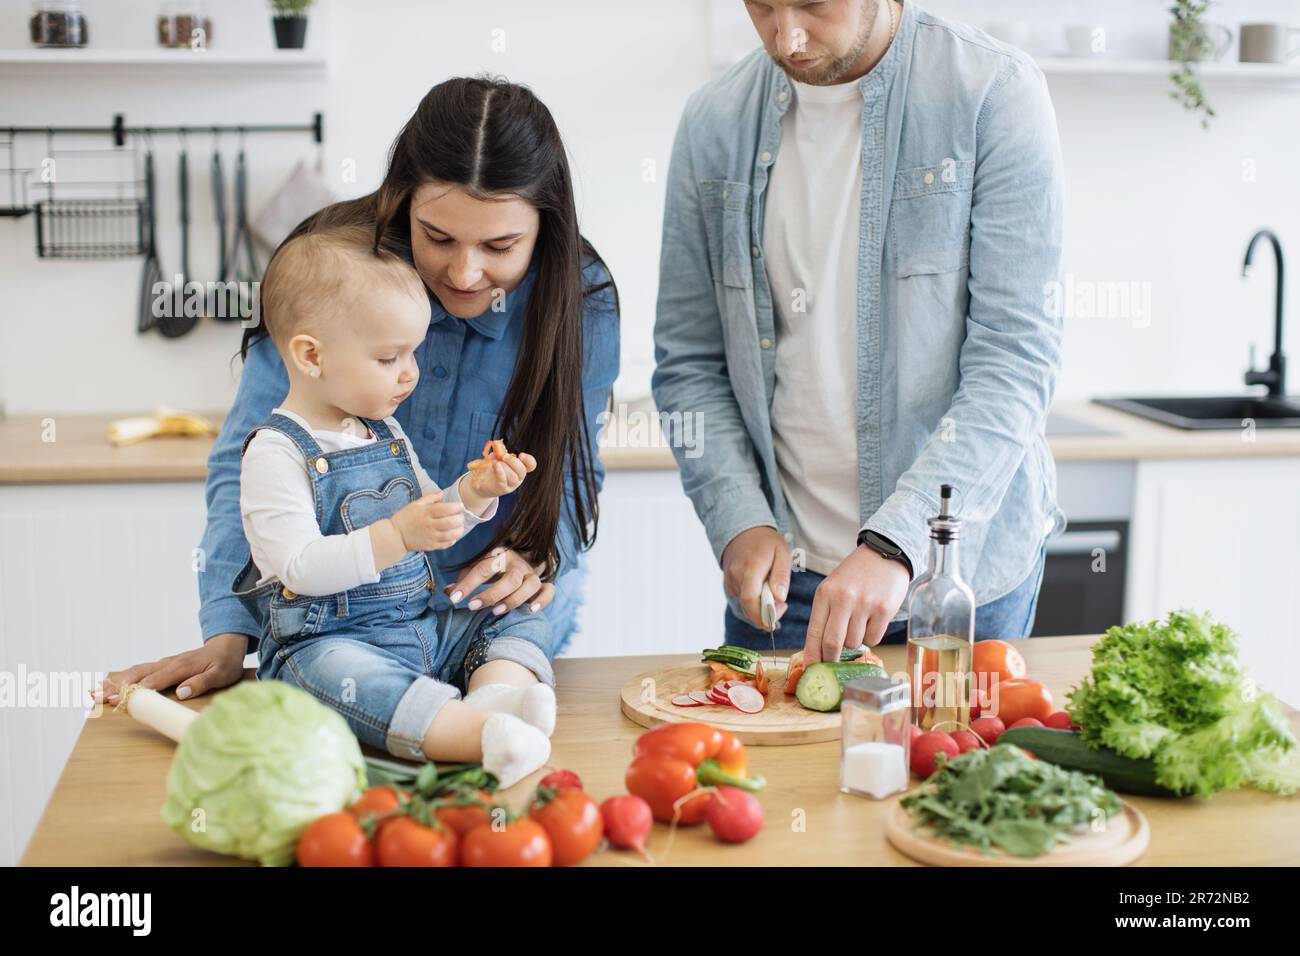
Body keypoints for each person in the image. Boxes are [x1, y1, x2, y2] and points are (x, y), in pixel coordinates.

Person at [97, 76, 619, 706]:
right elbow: (251, 462)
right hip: (341, 622)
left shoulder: (582, 303)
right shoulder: (334, 266)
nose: (465, 272)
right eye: (439, 237)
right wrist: (229, 632)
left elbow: (570, 471)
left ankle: (492, 710)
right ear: (402, 201)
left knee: (501, 707)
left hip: (483, 608)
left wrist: (539, 554)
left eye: (500, 246)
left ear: (547, 228)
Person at [652, 0, 1066, 666]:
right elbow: (688, 362)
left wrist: (901, 542)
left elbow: (1014, 362)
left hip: (962, 580)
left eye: (812, 4)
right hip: (789, 586)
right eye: (761, 6)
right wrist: (738, 519)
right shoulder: (713, 122)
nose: (786, 37)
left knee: (956, 769)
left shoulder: (993, 90)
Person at [240, 225, 553, 785]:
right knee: (342, 678)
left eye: (414, 350)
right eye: (389, 357)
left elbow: (434, 516)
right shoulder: (276, 452)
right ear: (311, 356)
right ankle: (479, 738)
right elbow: (300, 568)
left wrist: (477, 493)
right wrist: (396, 538)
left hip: (417, 626)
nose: (410, 372)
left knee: (517, 613)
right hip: (328, 644)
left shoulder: (383, 431)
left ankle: (498, 696)